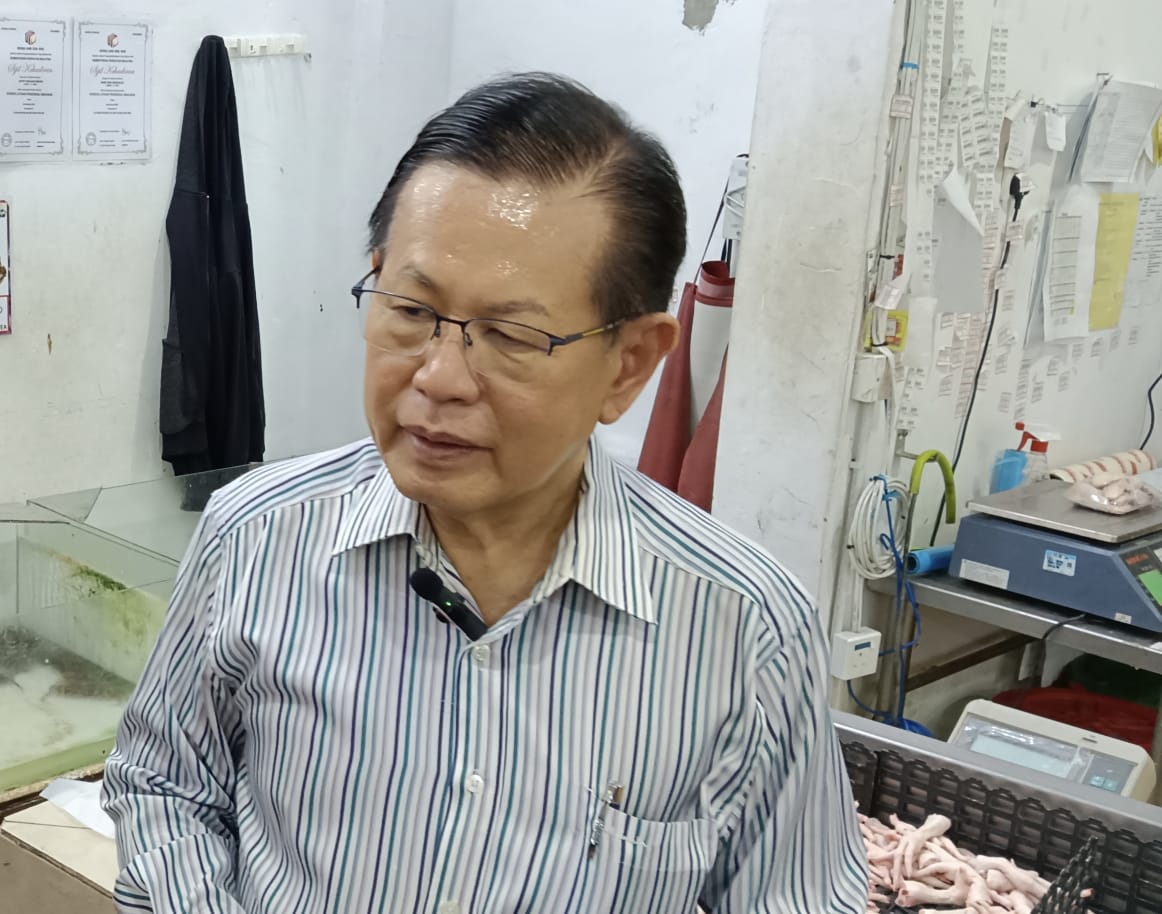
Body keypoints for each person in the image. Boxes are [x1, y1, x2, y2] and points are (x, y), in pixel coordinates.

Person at [102, 72, 868, 914]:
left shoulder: (746, 629)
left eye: (510, 335)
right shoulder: (255, 535)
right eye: (409, 309)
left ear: (629, 366)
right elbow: (163, 784)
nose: (438, 377)